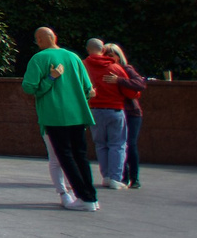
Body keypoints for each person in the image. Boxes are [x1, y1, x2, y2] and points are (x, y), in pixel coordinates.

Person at [22, 26, 99, 211]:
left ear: (39, 40)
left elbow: (29, 87)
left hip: (54, 115)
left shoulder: (38, 58)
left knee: (65, 156)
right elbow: (88, 89)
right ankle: (91, 198)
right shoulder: (74, 57)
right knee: (80, 156)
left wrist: (50, 79)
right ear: (55, 37)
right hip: (78, 114)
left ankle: (83, 198)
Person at [84, 37, 138, 190]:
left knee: (100, 144)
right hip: (115, 110)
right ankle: (115, 178)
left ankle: (106, 176)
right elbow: (131, 92)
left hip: (94, 109)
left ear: (88, 50)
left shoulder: (83, 65)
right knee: (117, 144)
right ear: (103, 50)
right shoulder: (115, 68)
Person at [108, 42, 145, 188]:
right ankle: (122, 176)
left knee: (130, 144)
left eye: (111, 55)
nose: (108, 59)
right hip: (115, 111)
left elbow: (140, 84)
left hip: (131, 113)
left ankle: (134, 178)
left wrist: (119, 80)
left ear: (118, 56)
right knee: (118, 145)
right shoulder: (105, 70)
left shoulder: (126, 69)